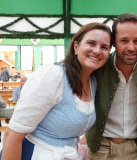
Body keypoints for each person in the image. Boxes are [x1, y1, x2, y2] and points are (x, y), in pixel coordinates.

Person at [0, 22, 112, 160]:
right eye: (91, 43)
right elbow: (11, 135)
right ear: (76, 47)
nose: (97, 50)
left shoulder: (92, 82)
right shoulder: (54, 75)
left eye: (104, 47)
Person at [85, 13, 137, 160]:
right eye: (124, 41)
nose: (131, 47)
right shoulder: (98, 65)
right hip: (100, 149)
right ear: (113, 41)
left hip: (136, 147)